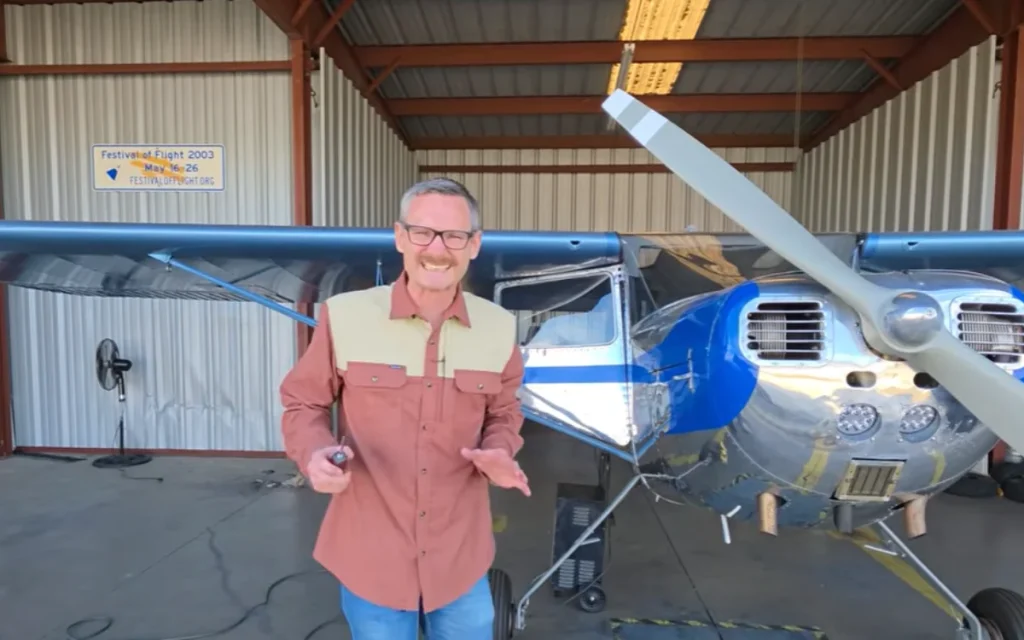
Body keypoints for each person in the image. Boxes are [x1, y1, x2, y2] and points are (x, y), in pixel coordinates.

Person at [279, 177, 530, 640]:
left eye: (454, 236)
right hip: (371, 553)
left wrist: (499, 450)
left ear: (473, 245)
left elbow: (505, 412)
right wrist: (313, 452)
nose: (438, 250)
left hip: (459, 554)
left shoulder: (498, 328)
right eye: (423, 233)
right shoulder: (346, 315)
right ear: (400, 237)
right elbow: (303, 402)